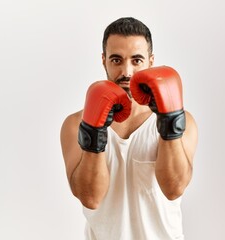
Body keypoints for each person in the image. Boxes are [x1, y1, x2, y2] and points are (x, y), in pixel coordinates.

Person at [60, 17, 198, 240]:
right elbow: (90, 198)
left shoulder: (184, 121)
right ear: (103, 60)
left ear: (150, 62)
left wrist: (169, 120)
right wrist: (94, 130)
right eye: (116, 60)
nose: (127, 71)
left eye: (136, 60)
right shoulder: (76, 124)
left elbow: (174, 188)